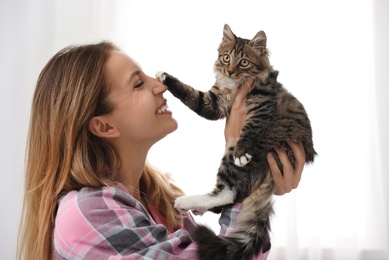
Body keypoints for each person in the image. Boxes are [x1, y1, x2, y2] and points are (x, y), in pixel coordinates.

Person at [17, 42, 306, 260]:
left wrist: (257, 187)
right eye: (138, 83)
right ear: (104, 127)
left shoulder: (159, 200)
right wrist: (236, 154)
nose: (160, 86)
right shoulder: (86, 213)